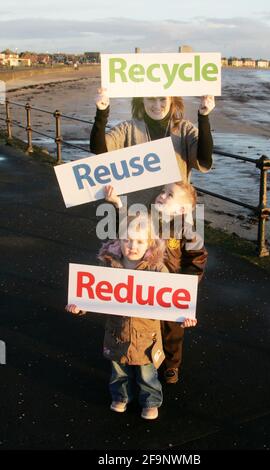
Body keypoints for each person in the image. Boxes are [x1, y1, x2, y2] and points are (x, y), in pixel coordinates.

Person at [66, 213, 196, 420]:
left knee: (147, 373)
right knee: (119, 370)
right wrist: (79, 307)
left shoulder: (157, 269)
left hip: (147, 335)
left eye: (139, 241)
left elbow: (172, 300)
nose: (132, 246)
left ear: (150, 244)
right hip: (117, 331)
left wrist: (184, 316)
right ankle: (121, 397)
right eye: (127, 240)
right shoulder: (109, 265)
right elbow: (92, 294)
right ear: (119, 240)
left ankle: (151, 401)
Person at [104, 182, 207, 384]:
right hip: (146, 281)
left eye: (169, 195)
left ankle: (171, 364)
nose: (162, 195)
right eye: (162, 191)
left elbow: (197, 259)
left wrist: (186, 287)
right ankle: (139, 357)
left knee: (172, 329)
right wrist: (117, 203)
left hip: (171, 288)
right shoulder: (147, 221)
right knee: (144, 324)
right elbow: (128, 225)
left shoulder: (188, 231)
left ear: (182, 210)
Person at [90, 91, 214, 206]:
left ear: (172, 99)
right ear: (141, 100)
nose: (157, 105)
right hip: (136, 215)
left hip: (173, 215)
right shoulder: (128, 128)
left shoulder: (185, 129)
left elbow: (204, 160)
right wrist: (102, 113)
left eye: (162, 99)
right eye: (151, 99)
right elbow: (99, 149)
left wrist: (204, 117)